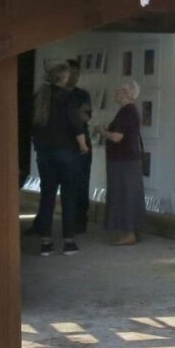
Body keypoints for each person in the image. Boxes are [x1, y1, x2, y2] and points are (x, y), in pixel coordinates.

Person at [29, 62, 88, 256]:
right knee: (69, 197)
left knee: (47, 197)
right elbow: (76, 124)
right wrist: (83, 146)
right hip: (66, 154)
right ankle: (68, 242)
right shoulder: (66, 98)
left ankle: (45, 243)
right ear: (63, 78)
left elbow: (31, 125)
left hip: (44, 155)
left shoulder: (39, 98)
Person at [95, 79, 145, 246]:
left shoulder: (127, 111)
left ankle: (129, 233)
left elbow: (117, 137)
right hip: (127, 159)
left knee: (126, 195)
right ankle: (130, 231)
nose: (115, 92)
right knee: (126, 194)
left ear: (126, 93)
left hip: (124, 161)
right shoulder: (129, 111)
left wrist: (103, 131)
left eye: (118, 90)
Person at [66, 59, 93, 234]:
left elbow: (86, 116)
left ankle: (80, 219)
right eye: (71, 73)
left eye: (77, 73)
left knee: (82, 182)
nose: (74, 77)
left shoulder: (82, 94)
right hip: (64, 142)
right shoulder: (58, 94)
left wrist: (69, 115)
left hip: (81, 140)